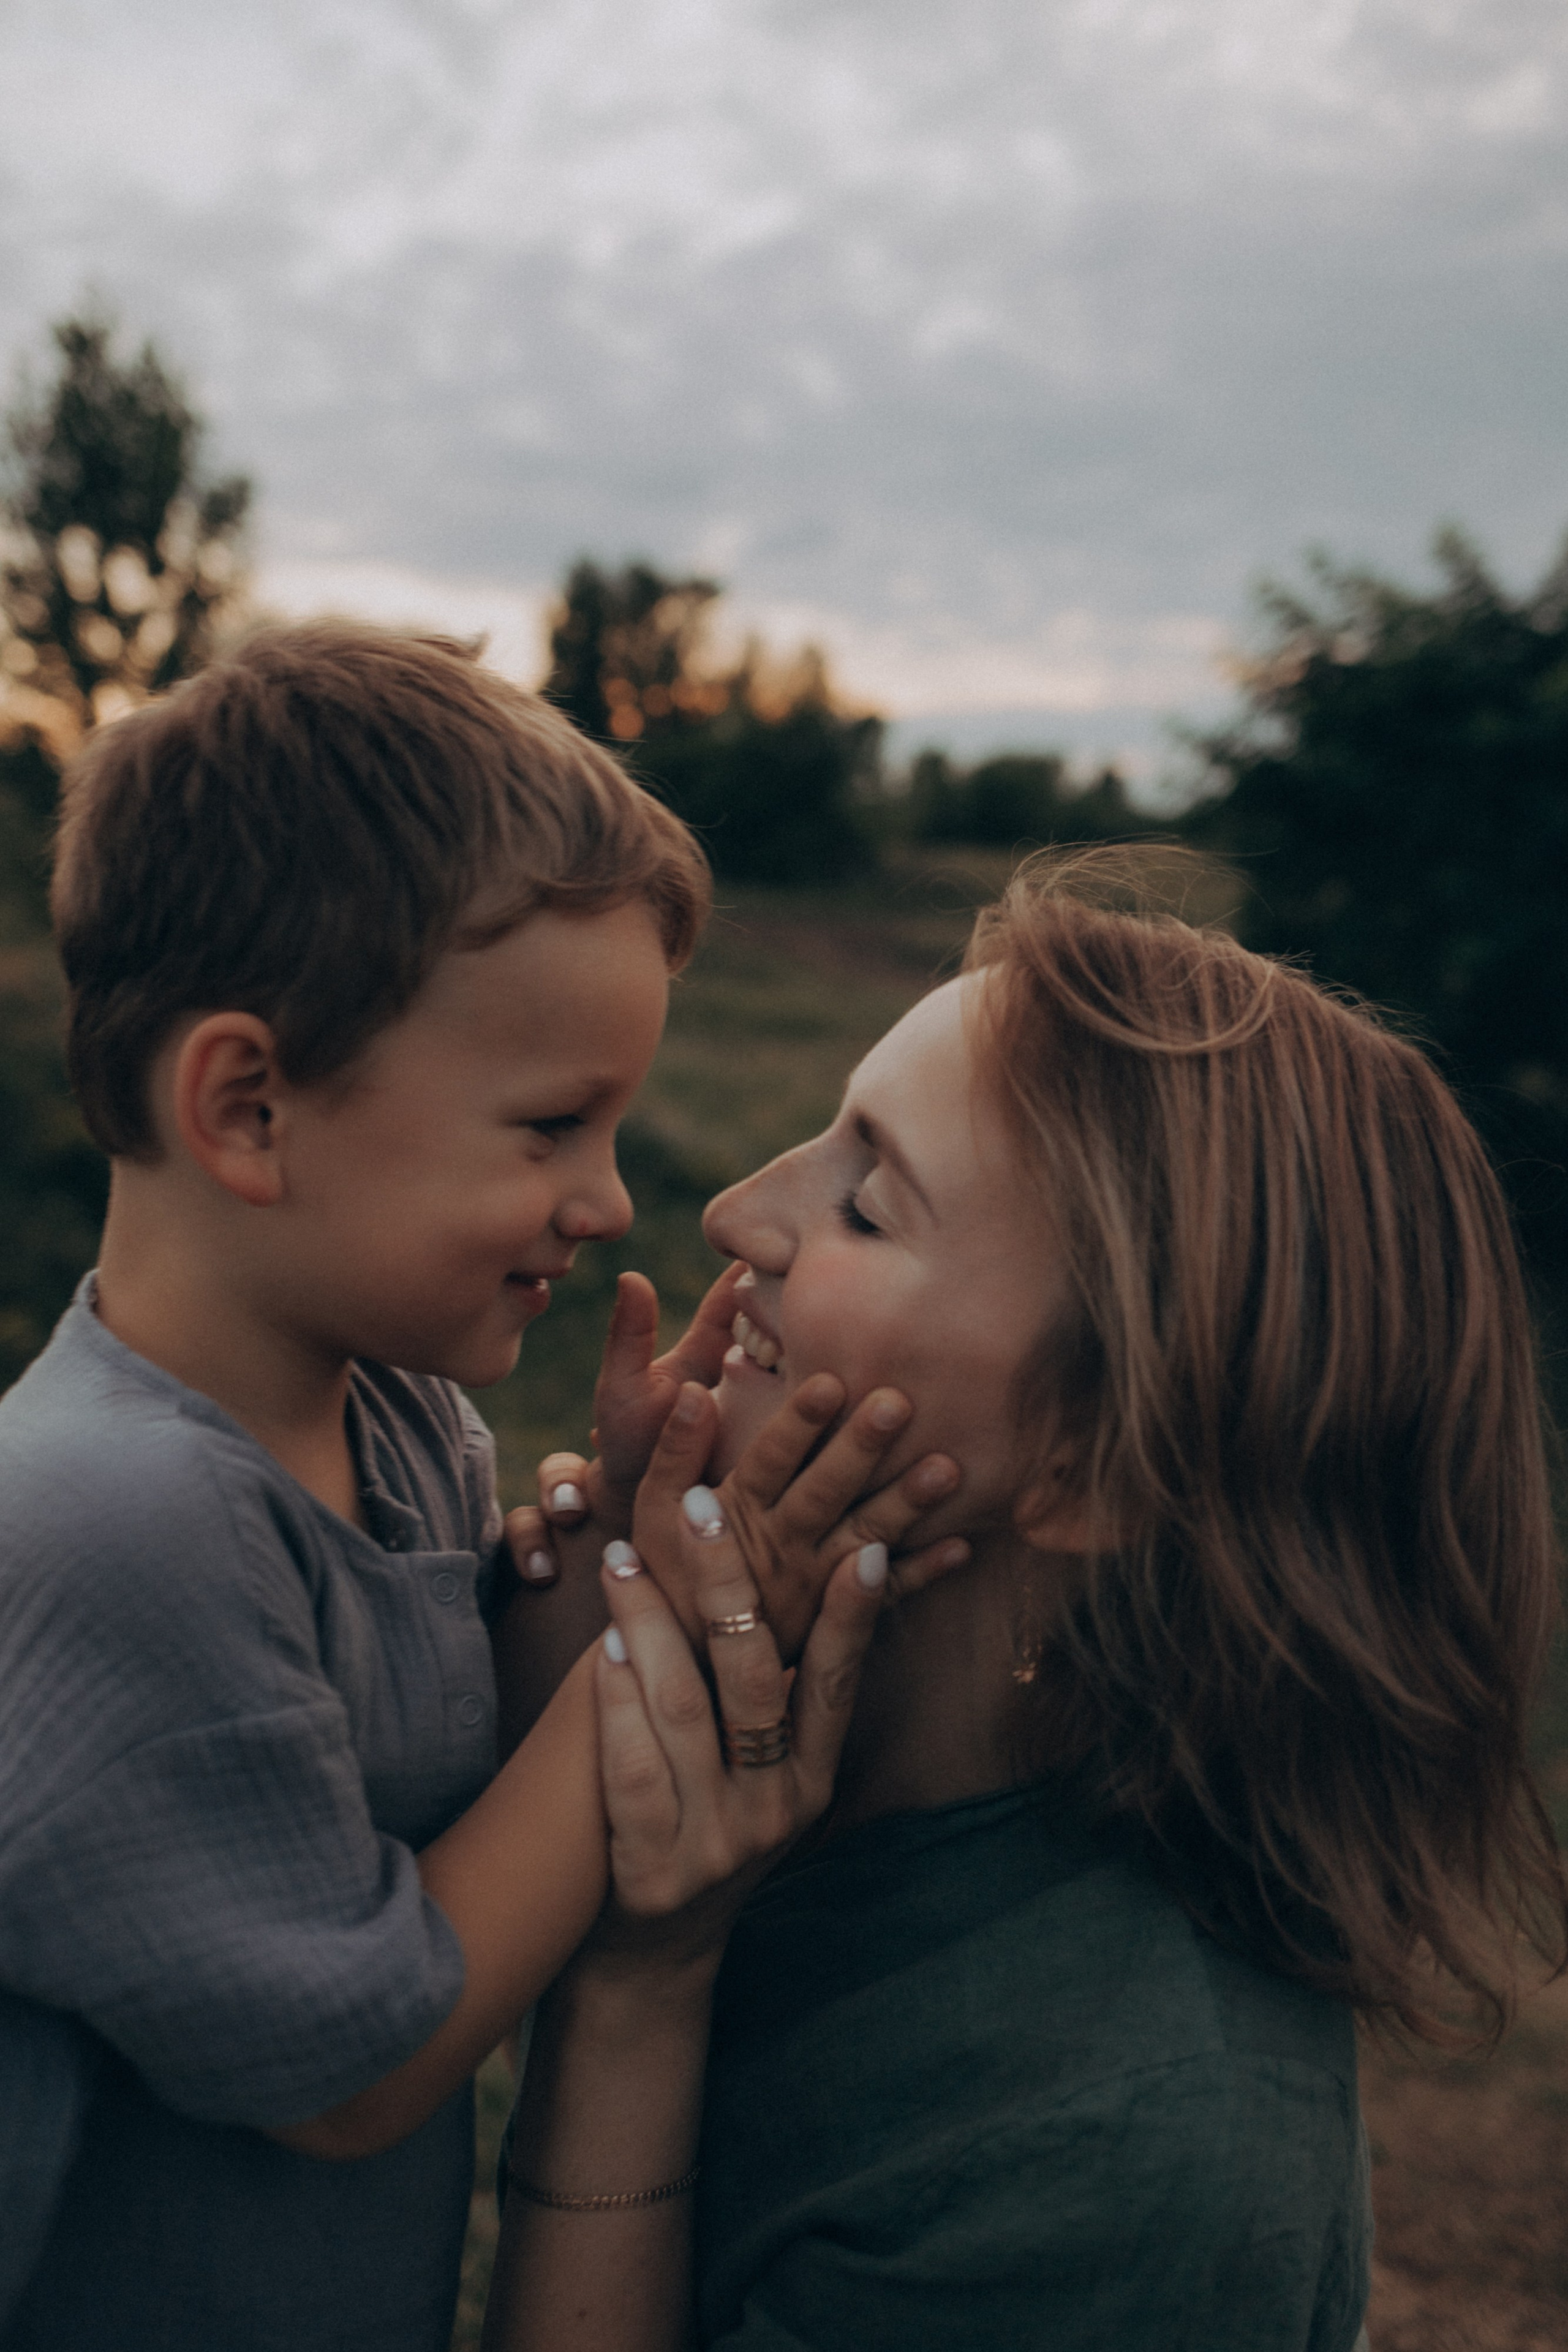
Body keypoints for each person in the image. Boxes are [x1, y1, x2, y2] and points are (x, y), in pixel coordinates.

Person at [0, 622, 961, 2352]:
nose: (608, 1201)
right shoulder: (115, 1526)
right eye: (548, 1129)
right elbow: (353, 2066)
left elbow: (446, 1814)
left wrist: (598, 1571)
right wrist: (664, 1634)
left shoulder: (397, 1422)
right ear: (249, 1107)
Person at [484, 850, 1567, 2351]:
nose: (736, 1213)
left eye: (865, 1201)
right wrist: (594, 1605)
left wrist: (636, 1991)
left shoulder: (1117, 2160)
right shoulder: (804, 1749)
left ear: (1094, 1460)